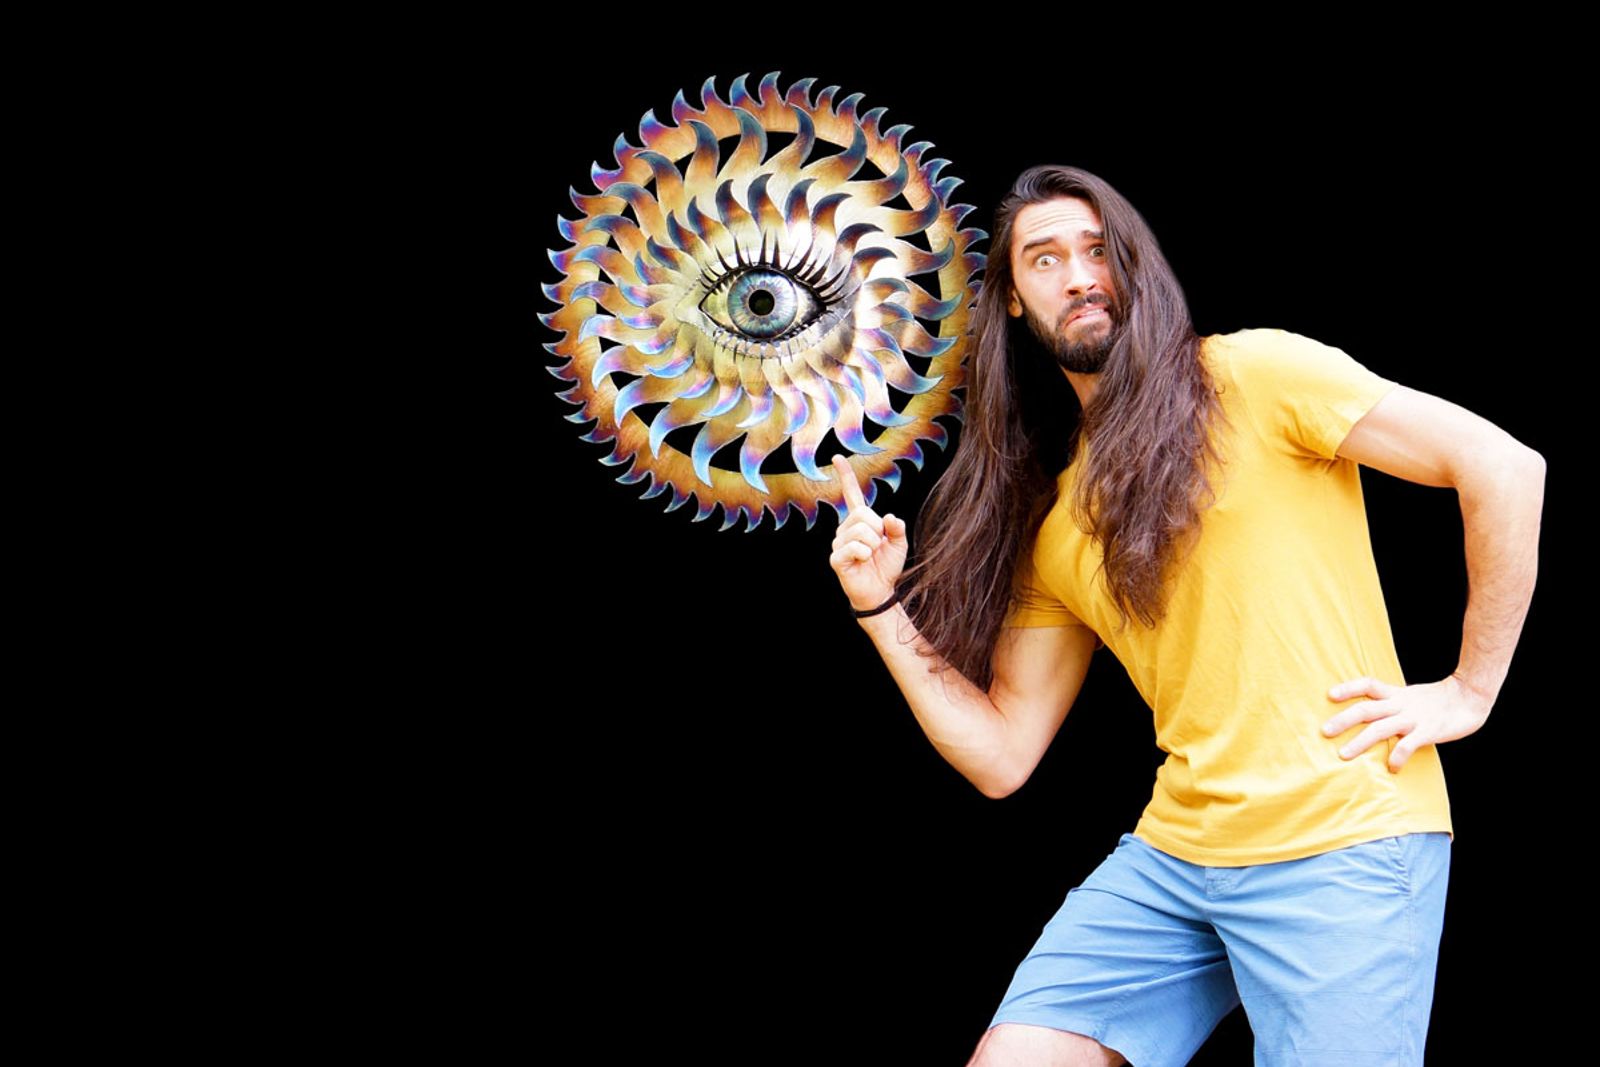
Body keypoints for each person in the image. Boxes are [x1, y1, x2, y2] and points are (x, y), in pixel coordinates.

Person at [826, 164, 1544, 1067]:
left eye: (1098, 250)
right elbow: (1002, 754)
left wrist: (1469, 690)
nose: (1079, 276)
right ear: (1011, 298)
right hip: (1179, 857)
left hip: (1342, 841)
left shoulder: (1254, 375)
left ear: (1133, 264)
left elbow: (1505, 467)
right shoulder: (1058, 526)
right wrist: (880, 604)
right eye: (1044, 259)